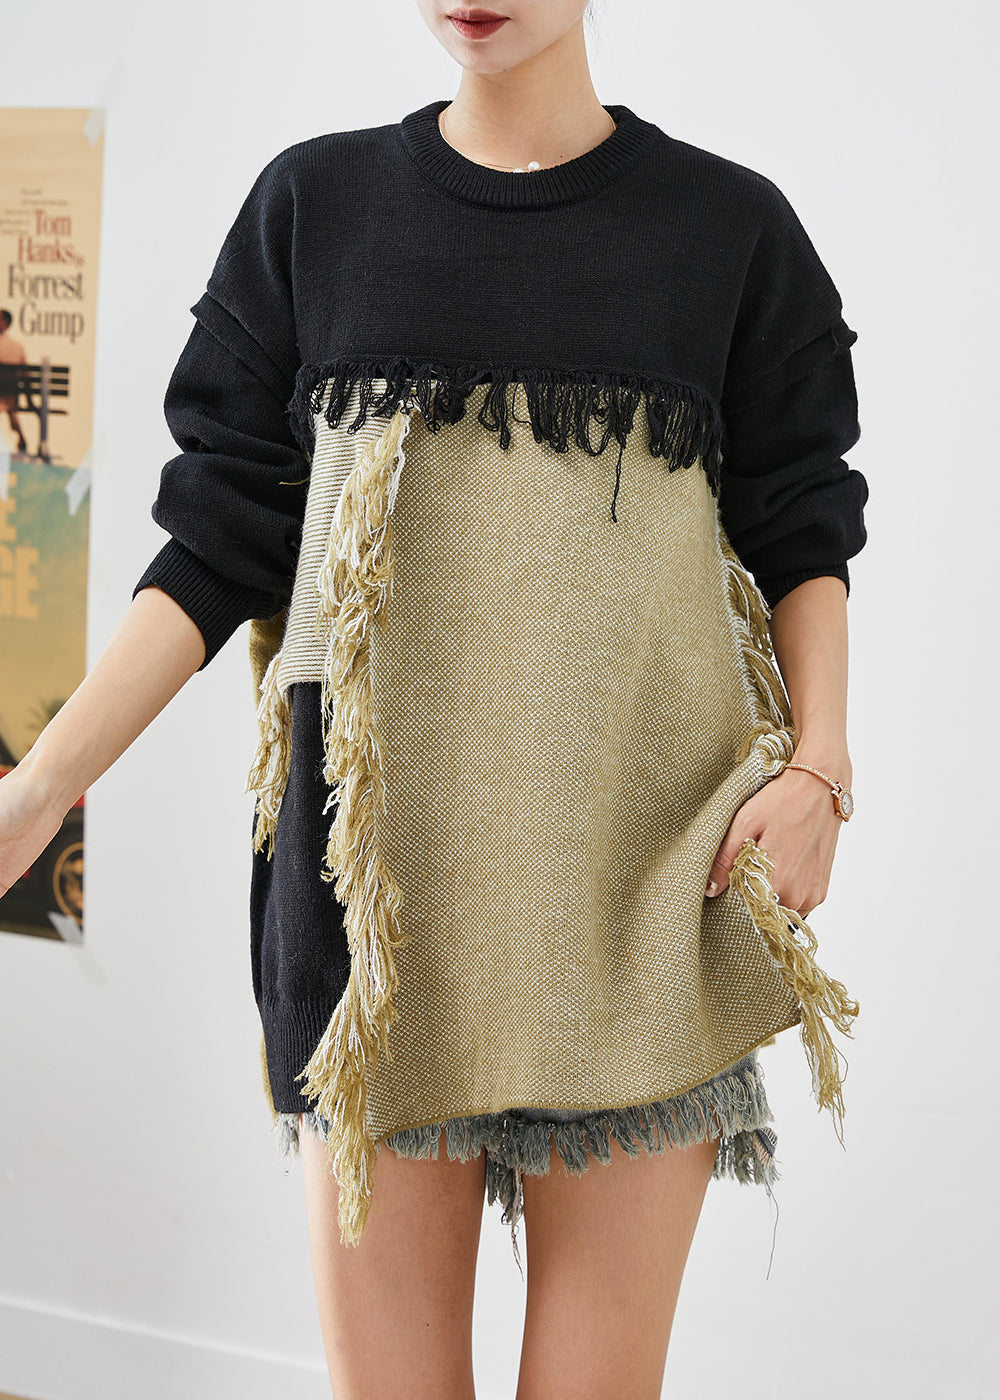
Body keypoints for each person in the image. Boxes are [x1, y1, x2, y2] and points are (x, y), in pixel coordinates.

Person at [0, 2, 869, 1395]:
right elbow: (216, 540)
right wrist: (41, 788)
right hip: (377, 925)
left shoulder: (728, 231)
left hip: (647, 894)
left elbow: (802, 523)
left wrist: (820, 768)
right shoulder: (314, 208)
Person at [0, 309, 30, 456]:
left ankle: (21, 437)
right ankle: (21, 437)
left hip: (3, 393)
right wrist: (29, 399)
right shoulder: (17, 346)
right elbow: (26, 374)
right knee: (11, 409)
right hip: (12, 396)